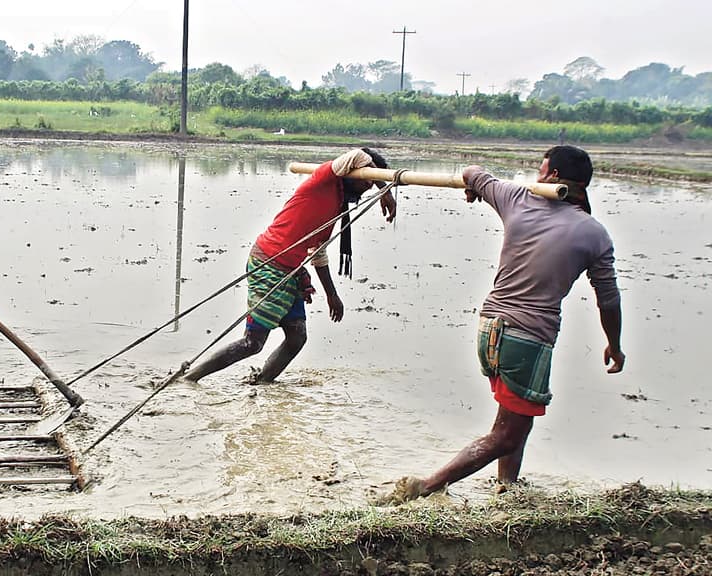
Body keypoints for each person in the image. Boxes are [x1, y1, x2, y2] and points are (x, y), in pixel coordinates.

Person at [389, 145, 625, 501]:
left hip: (490, 330)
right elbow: (608, 298)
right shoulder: (594, 233)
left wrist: (476, 187)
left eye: (541, 169)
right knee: (507, 433)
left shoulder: (516, 199)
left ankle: (507, 487)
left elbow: (471, 171)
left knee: (515, 420)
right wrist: (615, 344)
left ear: (553, 176)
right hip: (528, 339)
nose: (537, 174)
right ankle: (428, 486)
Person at [184, 148, 397, 384]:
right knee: (252, 343)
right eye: (365, 180)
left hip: (291, 270)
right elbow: (358, 154)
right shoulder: (325, 179)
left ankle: (262, 382)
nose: (368, 187)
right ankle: (191, 378)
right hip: (268, 262)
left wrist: (332, 295)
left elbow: (318, 252)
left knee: (297, 337)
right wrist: (384, 190)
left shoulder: (336, 205)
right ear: (352, 175)